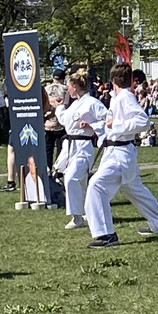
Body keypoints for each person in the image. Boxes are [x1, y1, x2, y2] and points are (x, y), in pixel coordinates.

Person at [84, 63, 158, 248]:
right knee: (134, 189)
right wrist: (100, 126)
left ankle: (105, 234)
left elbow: (142, 121)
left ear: (112, 80)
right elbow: (111, 125)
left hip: (120, 154)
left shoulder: (125, 96)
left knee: (96, 186)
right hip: (118, 151)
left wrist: (116, 124)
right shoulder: (118, 97)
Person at [55, 71, 105, 231]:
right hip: (70, 146)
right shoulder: (75, 104)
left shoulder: (92, 103)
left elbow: (108, 120)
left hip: (84, 146)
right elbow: (64, 121)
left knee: (71, 178)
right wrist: (60, 106)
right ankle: (86, 212)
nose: (68, 89)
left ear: (75, 87)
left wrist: (92, 126)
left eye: (69, 86)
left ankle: (76, 217)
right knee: (79, 181)